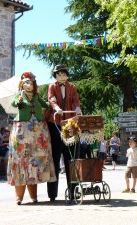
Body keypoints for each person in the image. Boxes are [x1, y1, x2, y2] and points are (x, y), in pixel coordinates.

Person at [7, 72, 56, 205]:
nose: (29, 85)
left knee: (35, 160)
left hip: (39, 131)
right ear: (22, 84)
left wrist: (54, 104)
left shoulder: (36, 96)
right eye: (26, 83)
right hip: (22, 131)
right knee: (21, 160)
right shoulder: (20, 95)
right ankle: (19, 197)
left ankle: (34, 196)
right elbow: (15, 103)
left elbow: (45, 104)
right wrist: (20, 98)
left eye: (31, 83)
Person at [45, 64, 82, 202]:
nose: (61, 76)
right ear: (55, 75)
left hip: (70, 122)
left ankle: (73, 191)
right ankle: (52, 194)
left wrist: (77, 108)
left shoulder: (72, 87)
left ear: (67, 75)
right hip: (55, 123)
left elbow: (76, 100)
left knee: (72, 158)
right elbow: (51, 99)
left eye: (63, 73)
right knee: (55, 157)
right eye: (58, 74)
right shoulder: (52, 86)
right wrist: (56, 108)